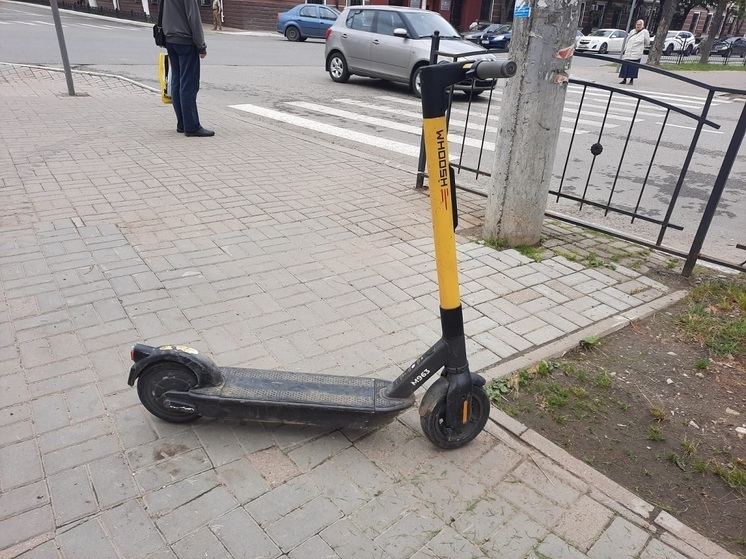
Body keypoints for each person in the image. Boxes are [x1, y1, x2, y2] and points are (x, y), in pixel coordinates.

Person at [160, 0, 214, 137]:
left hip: (170, 39)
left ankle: (182, 123)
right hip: (185, 41)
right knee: (188, 84)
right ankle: (191, 126)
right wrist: (201, 46)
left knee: (177, 81)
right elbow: (193, 18)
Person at [619, 19, 650, 86]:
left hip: (636, 53)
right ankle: (624, 79)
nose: (638, 26)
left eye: (639, 25)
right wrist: (625, 48)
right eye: (637, 24)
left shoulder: (645, 32)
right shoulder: (632, 31)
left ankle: (631, 80)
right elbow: (627, 40)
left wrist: (641, 46)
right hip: (628, 52)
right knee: (625, 66)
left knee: (633, 67)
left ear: (642, 25)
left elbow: (647, 42)